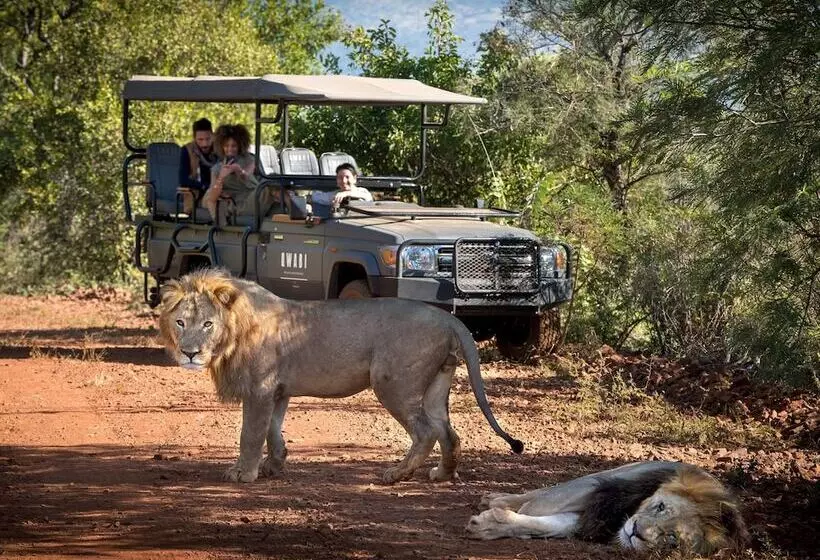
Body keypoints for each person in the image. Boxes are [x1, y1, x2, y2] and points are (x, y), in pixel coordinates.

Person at [202, 124, 267, 224]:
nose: (230, 149)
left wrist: (239, 171)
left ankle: (297, 216)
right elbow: (211, 198)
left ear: (240, 145)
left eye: (233, 146)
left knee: (275, 184)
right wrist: (221, 177)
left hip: (253, 198)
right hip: (236, 205)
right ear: (221, 147)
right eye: (226, 146)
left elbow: (253, 183)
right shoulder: (217, 168)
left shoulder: (251, 160)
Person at [179, 118, 217, 192]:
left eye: (208, 139)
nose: (205, 144)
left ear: (212, 135)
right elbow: (183, 180)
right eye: (200, 139)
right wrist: (205, 186)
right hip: (196, 193)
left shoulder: (219, 147)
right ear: (194, 138)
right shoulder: (187, 150)